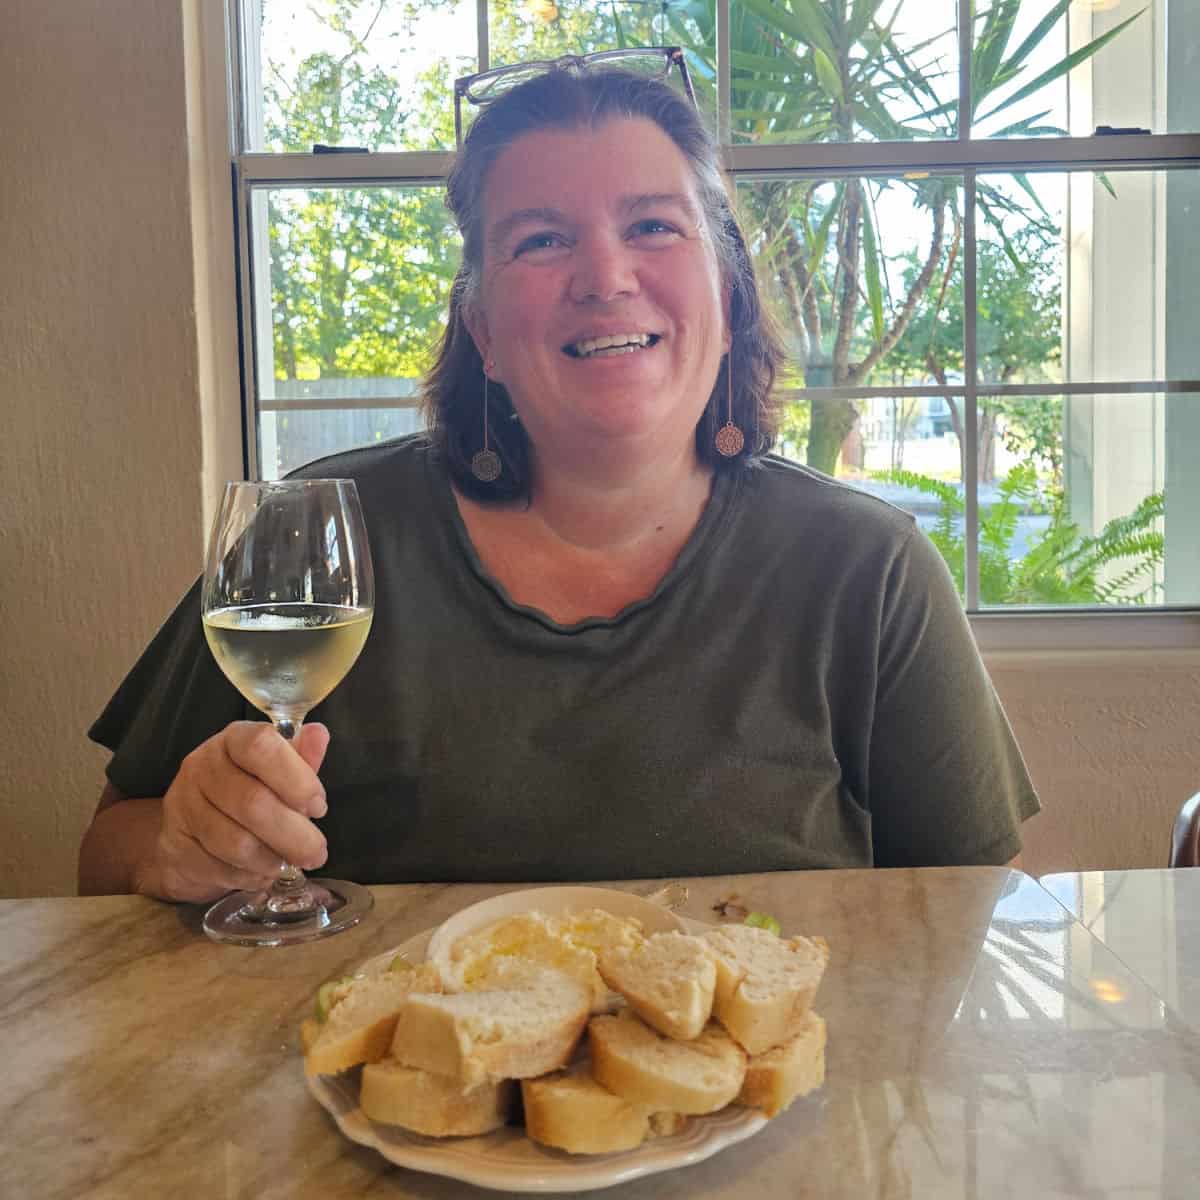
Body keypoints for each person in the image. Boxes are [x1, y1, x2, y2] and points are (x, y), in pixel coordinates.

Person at [78, 54, 1039, 903]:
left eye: (653, 225)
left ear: (728, 294)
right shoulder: (314, 533)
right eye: (541, 239)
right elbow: (104, 850)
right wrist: (175, 846)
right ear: (484, 332)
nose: (605, 276)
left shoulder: (869, 570)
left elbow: (975, 915)